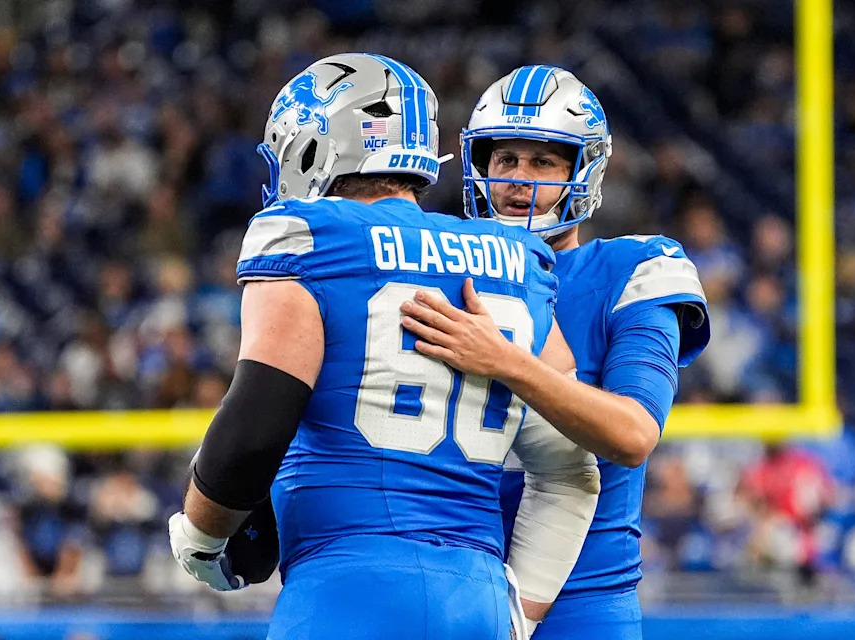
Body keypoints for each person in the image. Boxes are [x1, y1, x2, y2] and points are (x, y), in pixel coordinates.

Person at [167, 54, 599, 640]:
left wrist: (200, 536)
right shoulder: (516, 259)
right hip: (479, 600)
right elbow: (571, 472)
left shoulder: (307, 236)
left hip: (346, 590)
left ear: (313, 146)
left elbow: (254, 428)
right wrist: (518, 613)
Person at [399, 65, 711, 638]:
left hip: (584, 602)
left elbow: (633, 434)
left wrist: (507, 360)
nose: (519, 179)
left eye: (543, 161)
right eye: (505, 160)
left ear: (583, 170)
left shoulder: (634, 269)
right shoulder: (435, 264)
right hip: (446, 589)